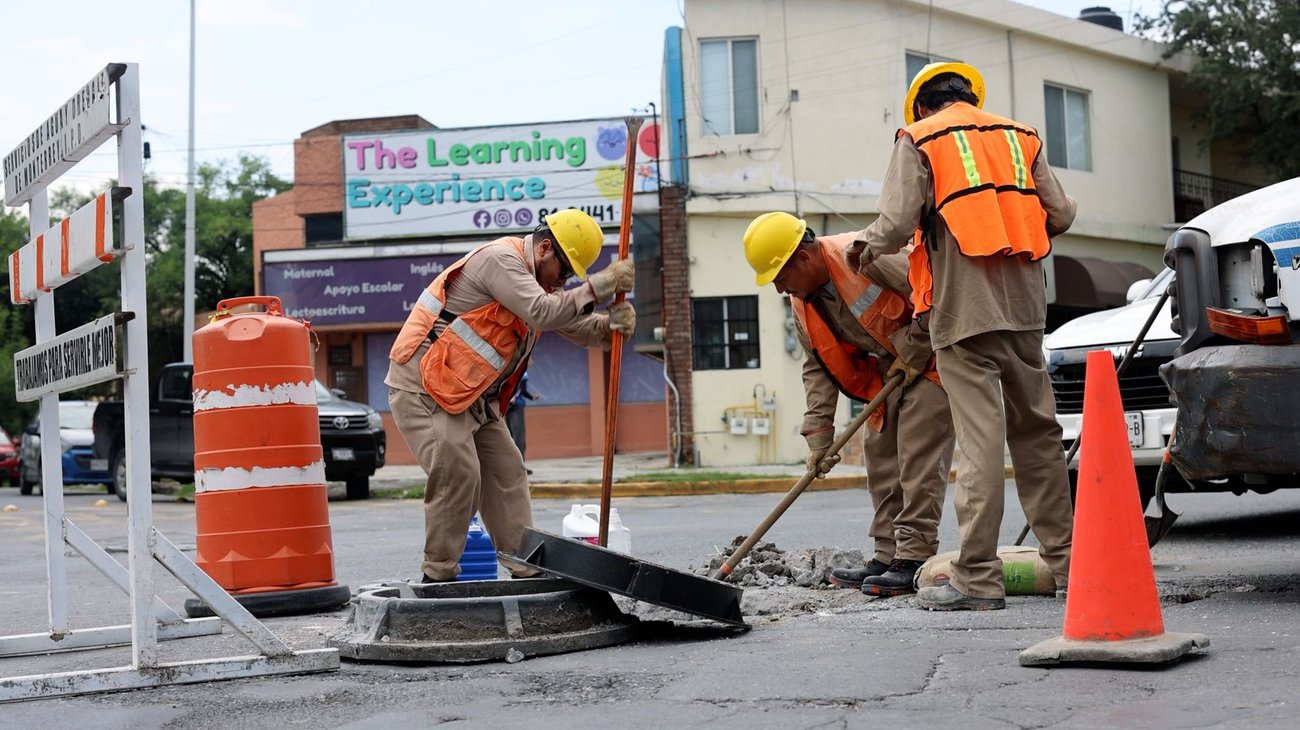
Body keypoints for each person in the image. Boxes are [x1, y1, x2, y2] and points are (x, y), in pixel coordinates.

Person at [846, 62, 1077, 611]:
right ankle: (1069, 567)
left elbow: (898, 223)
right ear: (970, 96)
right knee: (1038, 437)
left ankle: (976, 578)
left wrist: (865, 247)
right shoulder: (1022, 137)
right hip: (1024, 307)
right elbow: (1061, 215)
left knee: (980, 443)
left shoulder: (920, 137)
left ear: (922, 106)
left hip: (962, 312)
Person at [386, 209, 636, 583]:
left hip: (470, 397)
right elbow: (542, 313)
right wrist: (598, 286)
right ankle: (436, 576)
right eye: (564, 271)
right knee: (459, 470)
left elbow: (571, 323)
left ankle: (525, 568)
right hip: (423, 386)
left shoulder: (539, 286)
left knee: (507, 472)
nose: (564, 281)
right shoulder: (500, 260)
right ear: (544, 248)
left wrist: (611, 327)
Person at [743, 212, 955, 597]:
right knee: (880, 454)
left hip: (935, 360)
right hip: (890, 371)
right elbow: (818, 367)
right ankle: (887, 554)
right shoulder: (802, 300)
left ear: (804, 259)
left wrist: (917, 345)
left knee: (917, 453)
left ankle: (912, 557)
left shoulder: (864, 255)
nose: (779, 289)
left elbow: (934, 292)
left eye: (780, 278)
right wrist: (819, 438)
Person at [506, 371, 540, 473]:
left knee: (511, 436)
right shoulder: (522, 372)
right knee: (518, 437)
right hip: (516, 406)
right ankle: (519, 467)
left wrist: (532, 397)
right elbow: (522, 389)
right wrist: (515, 398)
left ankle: (513, 466)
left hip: (506, 407)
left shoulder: (508, 369)